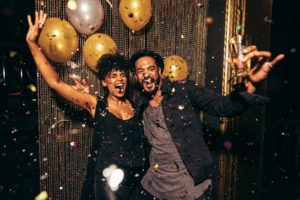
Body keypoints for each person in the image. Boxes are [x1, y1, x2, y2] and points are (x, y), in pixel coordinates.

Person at [129, 49, 284, 200]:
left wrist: (249, 84)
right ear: (136, 76)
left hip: (190, 186)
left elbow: (222, 106)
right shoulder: (140, 105)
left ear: (159, 71)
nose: (146, 74)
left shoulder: (184, 90)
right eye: (141, 71)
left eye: (151, 69)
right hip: (155, 185)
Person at [26, 11, 146, 200]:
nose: (119, 79)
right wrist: (32, 43)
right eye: (113, 76)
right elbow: (55, 82)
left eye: (122, 74)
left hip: (137, 180)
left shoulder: (137, 106)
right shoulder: (94, 104)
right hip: (109, 184)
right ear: (105, 82)